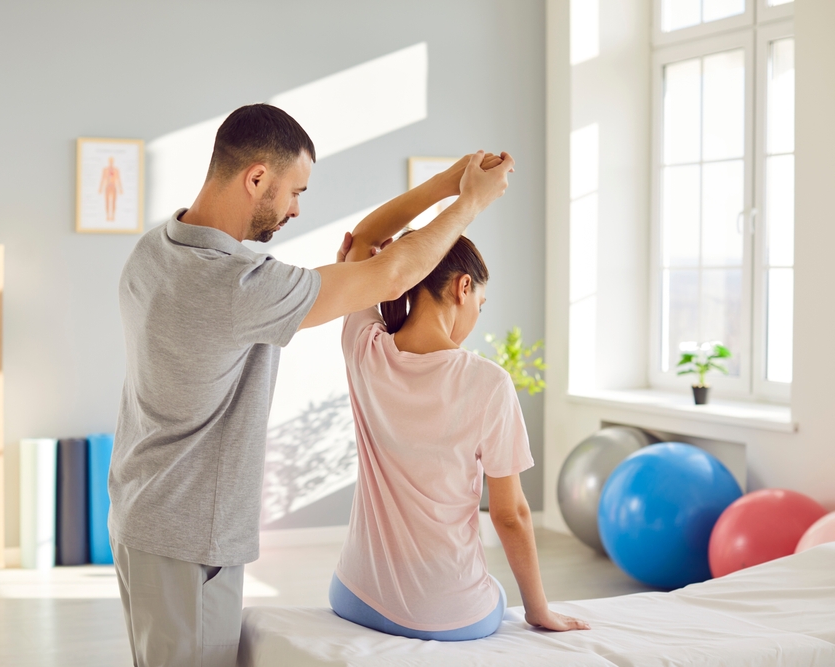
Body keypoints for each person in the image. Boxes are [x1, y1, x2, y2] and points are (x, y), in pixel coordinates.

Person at [108, 102, 515, 667]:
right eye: (295, 190)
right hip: (189, 535)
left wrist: (450, 180)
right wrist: (469, 200)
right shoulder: (235, 286)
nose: (298, 208)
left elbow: (370, 252)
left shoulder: (156, 249)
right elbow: (390, 271)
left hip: (141, 513)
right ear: (257, 178)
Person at [330, 175, 591, 640]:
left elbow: (364, 240)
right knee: (495, 597)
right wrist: (538, 609)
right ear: (462, 287)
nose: (477, 315)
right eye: (481, 304)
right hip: (444, 613)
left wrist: (453, 185)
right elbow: (510, 515)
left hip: (355, 596)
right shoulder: (488, 383)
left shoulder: (365, 345)